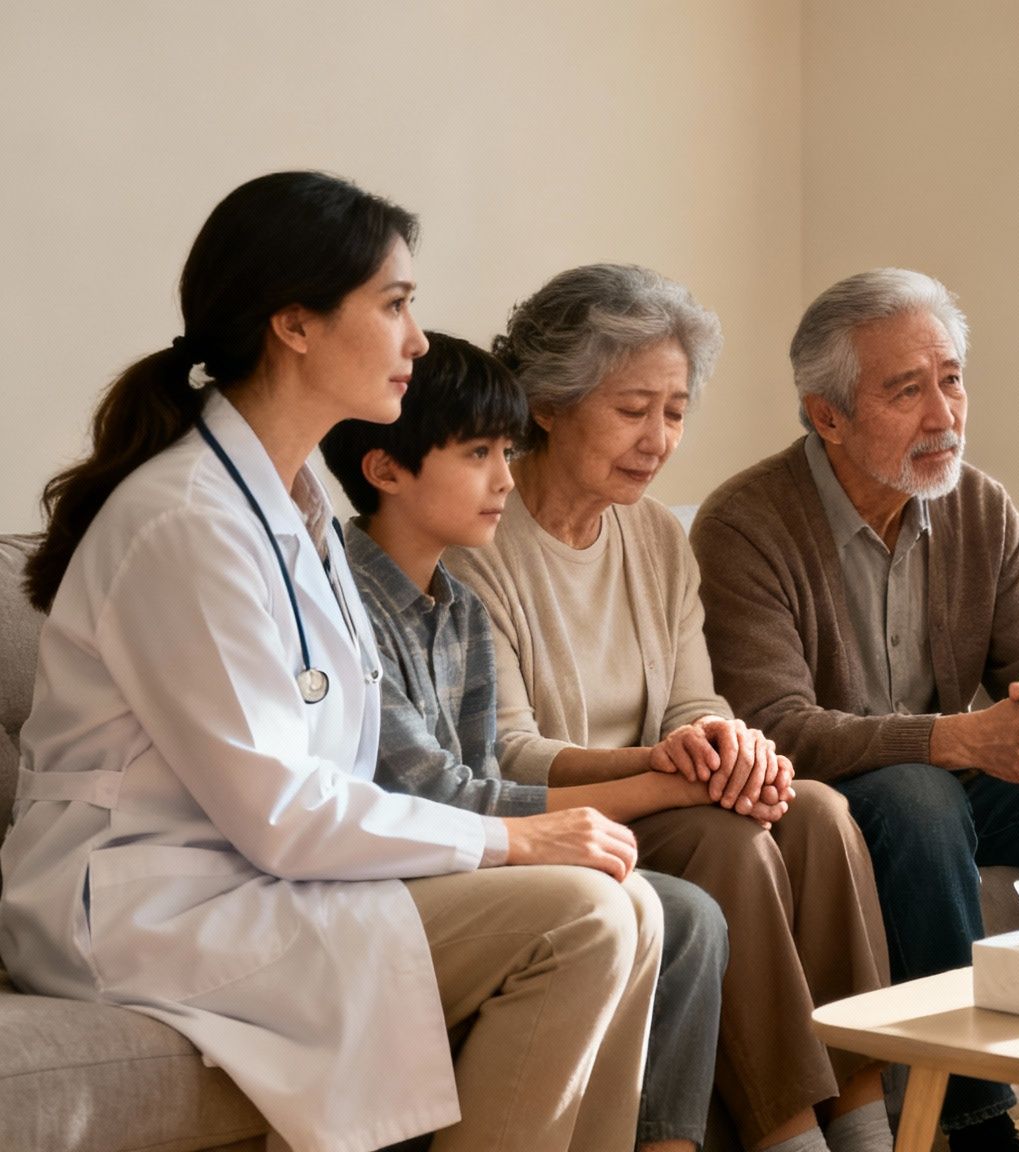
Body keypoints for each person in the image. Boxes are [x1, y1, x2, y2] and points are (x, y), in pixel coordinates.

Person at [0, 172, 661, 1152]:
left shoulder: (297, 502)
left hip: (256, 881)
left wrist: (519, 838)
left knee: (633, 904)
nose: (417, 340)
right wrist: (515, 841)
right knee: (580, 919)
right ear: (295, 324)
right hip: (148, 907)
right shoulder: (187, 521)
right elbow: (281, 810)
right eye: (393, 305)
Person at [690, 267, 1019, 1152]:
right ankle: (974, 1126)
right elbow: (775, 723)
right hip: (833, 810)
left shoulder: (976, 503)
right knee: (915, 795)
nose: (945, 414)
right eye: (907, 390)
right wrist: (958, 737)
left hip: (958, 784)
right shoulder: (746, 524)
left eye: (952, 378)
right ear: (828, 416)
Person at [444, 264, 892, 1152]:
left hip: (665, 789)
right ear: (548, 404)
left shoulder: (654, 534)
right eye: (632, 409)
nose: (659, 440)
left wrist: (721, 745)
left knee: (820, 813)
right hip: (569, 817)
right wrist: (668, 769)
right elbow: (510, 755)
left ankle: (868, 1120)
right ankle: (790, 1135)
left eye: (676, 411)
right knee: (730, 839)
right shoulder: (479, 542)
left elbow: (692, 700)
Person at [321, 331, 728, 1152]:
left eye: (506, 451)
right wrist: (663, 781)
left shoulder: (458, 610)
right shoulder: (345, 603)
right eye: (479, 454)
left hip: (457, 854)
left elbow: (480, 778)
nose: (506, 477)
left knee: (671, 907)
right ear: (386, 470)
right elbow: (439, 795)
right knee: (635, 904)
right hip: (376, 873)